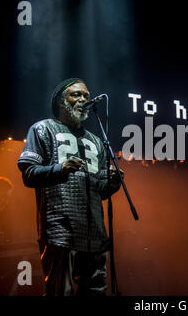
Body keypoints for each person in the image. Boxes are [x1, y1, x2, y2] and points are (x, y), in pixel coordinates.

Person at [17, 78, 123, 296]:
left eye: (85, 95)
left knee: (96, 291)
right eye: (75, 95)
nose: (83, 99)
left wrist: (113, 183)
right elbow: (28, 174)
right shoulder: (42, 129)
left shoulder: (96, 140)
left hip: (95, 234)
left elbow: (100, 190)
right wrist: (60, 168)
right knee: (60, 291)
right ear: (60, 102)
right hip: (60, 230)